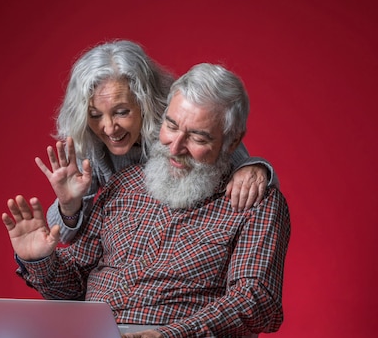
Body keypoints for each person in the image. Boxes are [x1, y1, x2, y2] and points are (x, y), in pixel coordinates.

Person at [0, 62, 291, 338]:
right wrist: (42, 259)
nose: (175, 147)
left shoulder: (256, 203)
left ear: (232, 142)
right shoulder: (124, 184)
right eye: (171, 126)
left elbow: (257, 300)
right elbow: (73, 288)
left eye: (198, 137)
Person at [36, 40, 278, 243]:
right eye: (95, 115)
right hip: (134, 251)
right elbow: (63, 236)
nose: (109, 128)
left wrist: (255, 168)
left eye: (122, 112)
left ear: (146, 101)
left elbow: (238, 158)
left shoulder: (177, 122)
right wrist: (69, 206)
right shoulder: (91, 145)